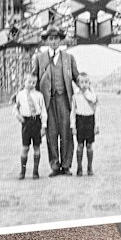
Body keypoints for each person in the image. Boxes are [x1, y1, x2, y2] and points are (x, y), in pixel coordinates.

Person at [32, 24, 79, 177]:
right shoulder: (39, 59)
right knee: (51, 133)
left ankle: (66, 165)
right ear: (46, 41)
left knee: (66, 132)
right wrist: (24, 93)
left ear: (60, 40)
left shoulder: (69, 58)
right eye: (50, 39)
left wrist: (87, 90)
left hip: (64, 99)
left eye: (56, 38)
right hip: (48, 102)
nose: (53, 42)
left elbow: (77, 77)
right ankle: (54, 165)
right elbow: (33, 78)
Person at [13, 73, 47, 180]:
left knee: (37, 147)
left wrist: (43, 126)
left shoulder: (39, 95)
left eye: (34, 82)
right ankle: (22, 171)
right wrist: (18, 116)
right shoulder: (20, 95)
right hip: (26, 122)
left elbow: (43, 111)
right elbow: (15, 108)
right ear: (24, 81)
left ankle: (35, 172)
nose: (31, 84)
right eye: (29, 82)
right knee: (25, 148)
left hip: (36, 121)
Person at [70, 72, 99, 176]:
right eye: (81, 82)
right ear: (78, 83)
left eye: (86, 82)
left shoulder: (93, 96)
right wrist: (73, 126)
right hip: (80, 121)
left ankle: (90, 167)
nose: (84, 84)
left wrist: (97, 125)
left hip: (90, 120)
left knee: (90, 145)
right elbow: (73, 112)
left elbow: (96, 110)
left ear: (89, 83)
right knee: (80, 145)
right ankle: (79, 167)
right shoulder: (75, 96)